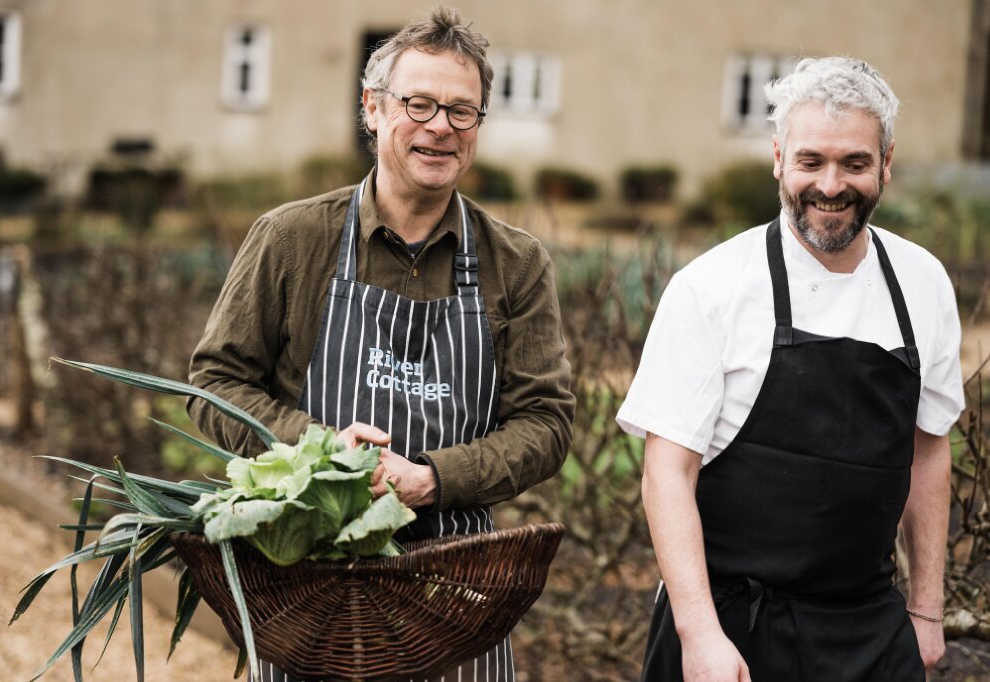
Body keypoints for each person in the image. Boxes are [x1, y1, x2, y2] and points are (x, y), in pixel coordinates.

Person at [187, 7, 574, 681]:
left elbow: (546, 423)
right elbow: (215, 384)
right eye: (418, 104)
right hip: (310, 576)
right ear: (372, 108)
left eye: (462, 111)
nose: (439, 128)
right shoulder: (291, 239)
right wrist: (320, 455)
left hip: (455, 592)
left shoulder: (517, 263)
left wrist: (432, 478)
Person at [617, 57, 965, 682]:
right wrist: (699, 635)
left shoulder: (923, 283)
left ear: (886, 163)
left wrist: (927, 609)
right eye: (811, 161)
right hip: (735, 630)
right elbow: (667, 472)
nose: (830, 184)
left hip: (869, 630)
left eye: (854, 163)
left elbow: (928, 448)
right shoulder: (712, 287)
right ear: (779, 159)